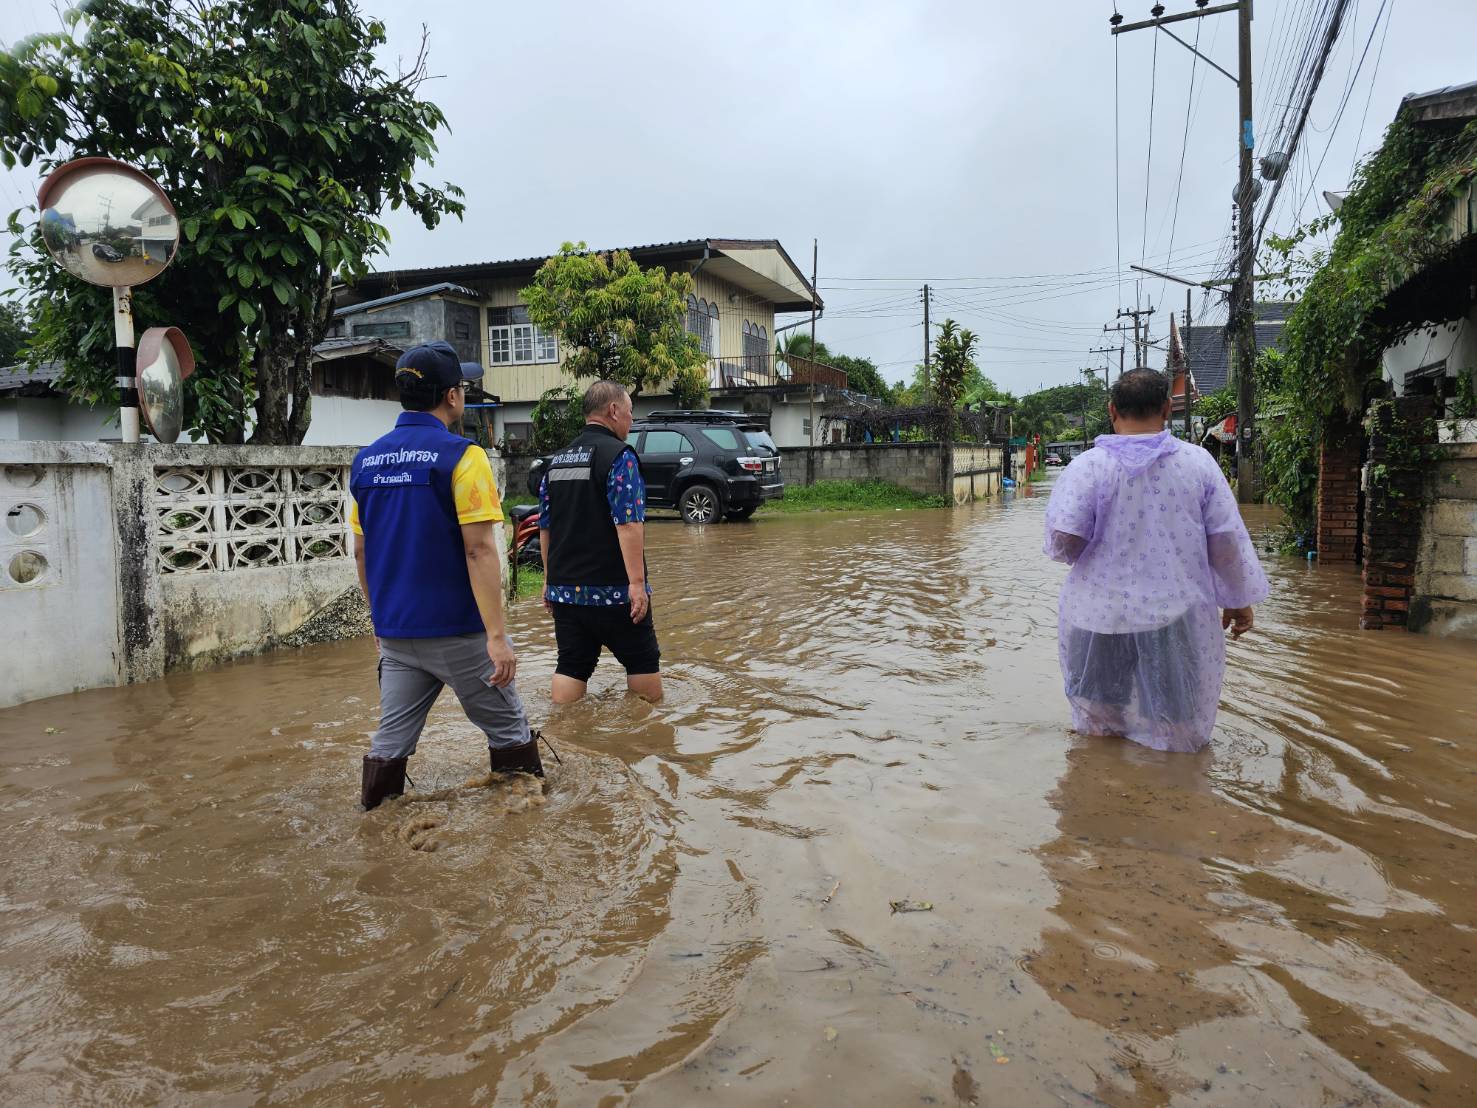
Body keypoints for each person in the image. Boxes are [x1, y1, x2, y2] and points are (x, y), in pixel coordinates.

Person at [350, 341, 541, 810]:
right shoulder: (463, 456)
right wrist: (496, 637)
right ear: (452, 396)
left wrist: (379, 621)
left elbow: (361, 551)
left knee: (390, 742)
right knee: (509, 731)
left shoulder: (365, 461)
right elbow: (479, 550)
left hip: (396, 635)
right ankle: (525, 825)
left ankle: (376, 824)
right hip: (460, 633)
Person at [1043, 368, 1268, 753]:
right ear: (1166, 408)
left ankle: (1097, 782)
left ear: (1112, 410)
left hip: (1098, 615)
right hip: (1173, 615)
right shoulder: (1198, 464)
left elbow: (1065, 542)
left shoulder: (1087, 467)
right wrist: (1237, 598)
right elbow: (1226, 540)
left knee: (1098, 722)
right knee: (1175, 723)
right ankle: (1175, 786)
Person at [538, 380, 662, 704]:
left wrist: (549, 580)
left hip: (565, 591)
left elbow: (546, 527)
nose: (632, 420)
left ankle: (564, 729)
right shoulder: (620, 456)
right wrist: (637, 584)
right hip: (615, 592)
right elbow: (629, 523)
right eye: (630, 412)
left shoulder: (556, 461)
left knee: (571, 665)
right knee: (643, 665)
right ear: (614, 410)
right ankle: (648, 732)